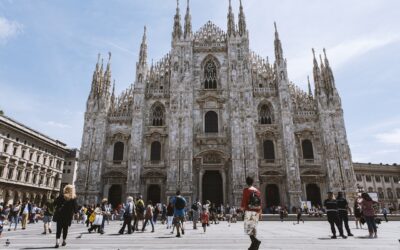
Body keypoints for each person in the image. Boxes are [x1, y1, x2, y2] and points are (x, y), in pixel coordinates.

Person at [241, 176, 262, 250]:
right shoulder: (257, 191)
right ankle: (253, 246)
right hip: (256, 211)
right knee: (253, 228)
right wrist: (260, 212)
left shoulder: (246, 190)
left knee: (248, 229)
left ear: (246, 182)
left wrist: (242, 209)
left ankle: (256, 241)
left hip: (249, 211)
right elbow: (260, 202)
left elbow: (244, 201)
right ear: (253, 182)